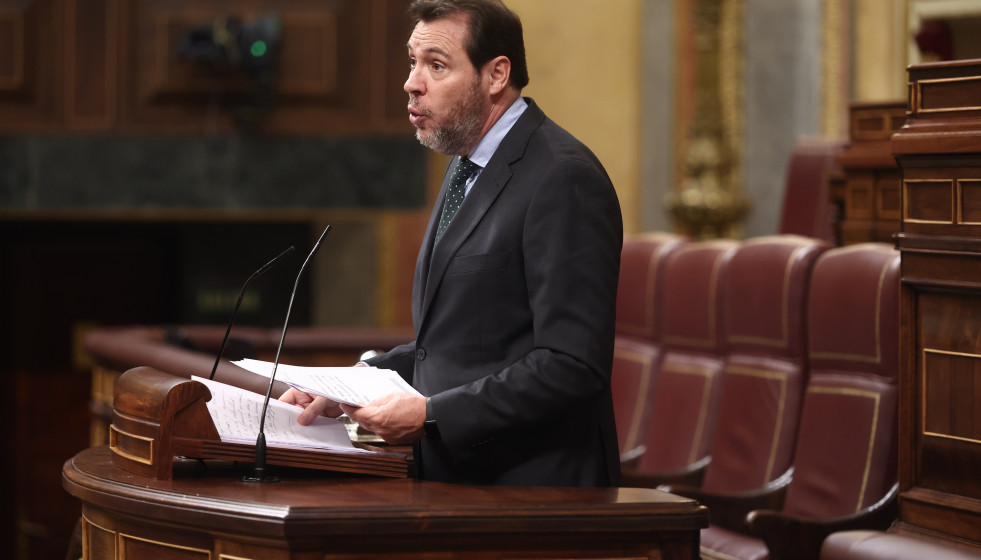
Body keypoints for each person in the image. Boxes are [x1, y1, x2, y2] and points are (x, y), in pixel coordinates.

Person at [282, 0, 623, 486]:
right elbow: (463, 344)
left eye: (436, 65)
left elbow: (572, 365)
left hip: (537, 497)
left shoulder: (563, 178)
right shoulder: (468, 165)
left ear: (496, 75)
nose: (412, 82)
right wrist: (354, 385)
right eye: (412, 62)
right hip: (461, 484)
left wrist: (433, 415)